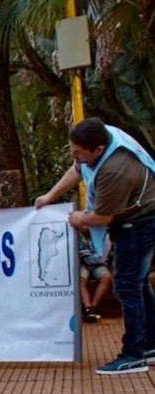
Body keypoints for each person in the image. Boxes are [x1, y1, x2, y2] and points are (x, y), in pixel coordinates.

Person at [35, 117, 155, 375]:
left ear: (98, 150)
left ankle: (133, 355)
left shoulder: (115, 169)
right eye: (72, 150)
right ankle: (151, 344)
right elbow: (78, 169)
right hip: (134, 216)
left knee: (127, 285)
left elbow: (102, 216)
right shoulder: (101, 137)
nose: (74, 156)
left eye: (78, 152)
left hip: (141, 222)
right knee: (139, 281)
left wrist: (80, 218)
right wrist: (50, 196)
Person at [78, 226, 113, 323]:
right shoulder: (75, 234)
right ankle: (88, 307)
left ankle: (93, 307)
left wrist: (87, 256)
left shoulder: (103, 234)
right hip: (82, 264)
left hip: (98, 264)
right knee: (80, 280)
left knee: (106, 278)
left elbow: (101, 256)